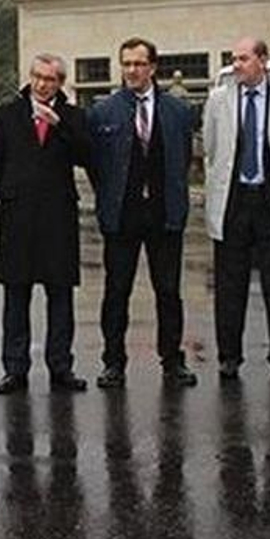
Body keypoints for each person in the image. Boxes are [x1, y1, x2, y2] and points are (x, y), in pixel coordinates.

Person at [87, 37, 197, 389]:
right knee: (116, 290)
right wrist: (109, 197)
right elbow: (96, 164)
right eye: (126, 64)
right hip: (122, 216)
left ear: (153, 67)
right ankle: (113, 362)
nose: (132, 70)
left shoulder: (178, 111)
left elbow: (181, 159)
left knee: (168, 290)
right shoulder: (104, 111)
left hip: (164, 214)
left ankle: (172, 360)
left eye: (138, 64)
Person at [0, 53, 91, 395]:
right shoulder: (7, 114)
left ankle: (61, 367)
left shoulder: (72, 116)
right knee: (17, 295)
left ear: (60, 83)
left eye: (50, 79)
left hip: (58, 216)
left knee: (60, 295)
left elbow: (86, 155)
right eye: (37, 77)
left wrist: (60, 127)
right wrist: (13, 191)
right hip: (19, 216)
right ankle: (15, 368)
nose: (42, 84)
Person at [204, 37, 270, 381]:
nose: (237, 65)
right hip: (234, 199)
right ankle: (229, 356)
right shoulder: (219, 100)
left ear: (262, 61)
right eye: (234, 58)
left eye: (244, 58)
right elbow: (211, 146)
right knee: (229, 283)